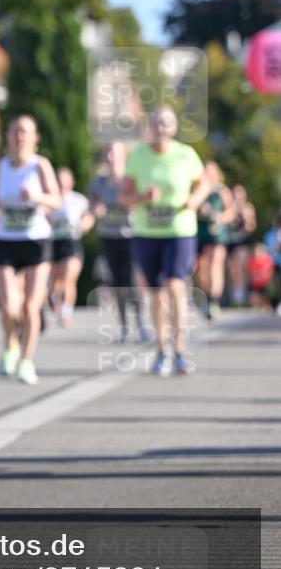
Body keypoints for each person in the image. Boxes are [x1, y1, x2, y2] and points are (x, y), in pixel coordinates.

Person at [120, 106, 211, 376]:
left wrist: (194, 200)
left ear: (174, 127)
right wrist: (142, 198)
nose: (160, 128)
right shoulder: (138, 156)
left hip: (179, 230)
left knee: (175, 283)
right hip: (147, 232)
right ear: (149, 127)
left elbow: (204, 183)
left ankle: (180, 349)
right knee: (156, 291)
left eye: (165, 123)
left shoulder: (185, 154)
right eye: (156, 123)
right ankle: (162, 350)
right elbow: (123, 198)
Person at [0, 115, 60, 385]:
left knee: (31, 306)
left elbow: (56, 200)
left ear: (35, 138)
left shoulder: (39, 165)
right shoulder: (2, 166)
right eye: (15, 131)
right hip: (7, 239)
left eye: (25, 132)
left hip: (36, 241)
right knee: (9, 306)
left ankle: (26, 361)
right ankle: (10, 345)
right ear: (8, 136)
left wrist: (36, 198)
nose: (20, 137)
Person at [88, 142, 150, 343]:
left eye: (114, 152)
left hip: (131, 235)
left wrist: (132, 204)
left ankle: (141, 324)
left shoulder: (130, 180)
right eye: (107, 152)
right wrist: (95, 209)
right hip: (109, 236)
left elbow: (144, 201)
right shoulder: (98, 182)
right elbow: (91, 204)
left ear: (123, 156)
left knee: (133, 281)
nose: (110, 156)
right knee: (117, 282)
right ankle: (124, 327)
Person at [48, 167, 93, 327]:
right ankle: (55, 300)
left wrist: (85, 224)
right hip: (52, 243)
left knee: (69, 276)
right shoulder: (49, 199)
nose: (62, 183)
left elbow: (88, 217)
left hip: (72, 242)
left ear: (71, 182)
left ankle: (66, 311)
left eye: (65, 179)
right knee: (54, 279)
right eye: (59, 179)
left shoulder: (79, 200)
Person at [195, 162, 235, 319]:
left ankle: (214, 301)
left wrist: (220, 217)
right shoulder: (198, 189)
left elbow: (231, 211)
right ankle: (204, 296)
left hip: (217, 234)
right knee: (200, 268)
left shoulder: (222, 191)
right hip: (200, 232)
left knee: (214, 265)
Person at [227, 184, 257, 306]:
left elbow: (251, 226)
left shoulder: (248, 208)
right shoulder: (229, 208)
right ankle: (234, 296)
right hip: (230, 242)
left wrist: (246, 218)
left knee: (241, 268)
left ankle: (241, 296)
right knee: (232, 270)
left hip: (242, 242)